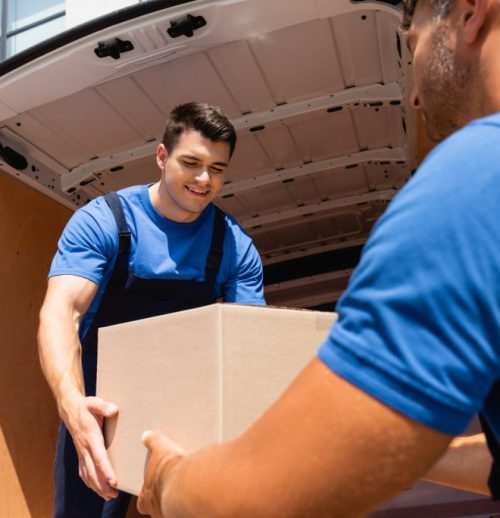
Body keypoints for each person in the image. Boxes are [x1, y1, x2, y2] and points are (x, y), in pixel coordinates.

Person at [137, 0, 500, 516]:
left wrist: (167, 479)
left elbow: (262, 499)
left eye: (414, 46)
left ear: (469, 13)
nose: (415, 93)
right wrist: (389, 449)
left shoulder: (472, 181)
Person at [37, 102, 265, 517]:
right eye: (191, 163)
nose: (203, 179)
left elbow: (250, 344)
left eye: (217, 168)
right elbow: (61, 314)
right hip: (99, 409)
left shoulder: (235, 247)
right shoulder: (104, 221)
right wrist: (73, 406)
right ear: (162, 157)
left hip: (183, 407)